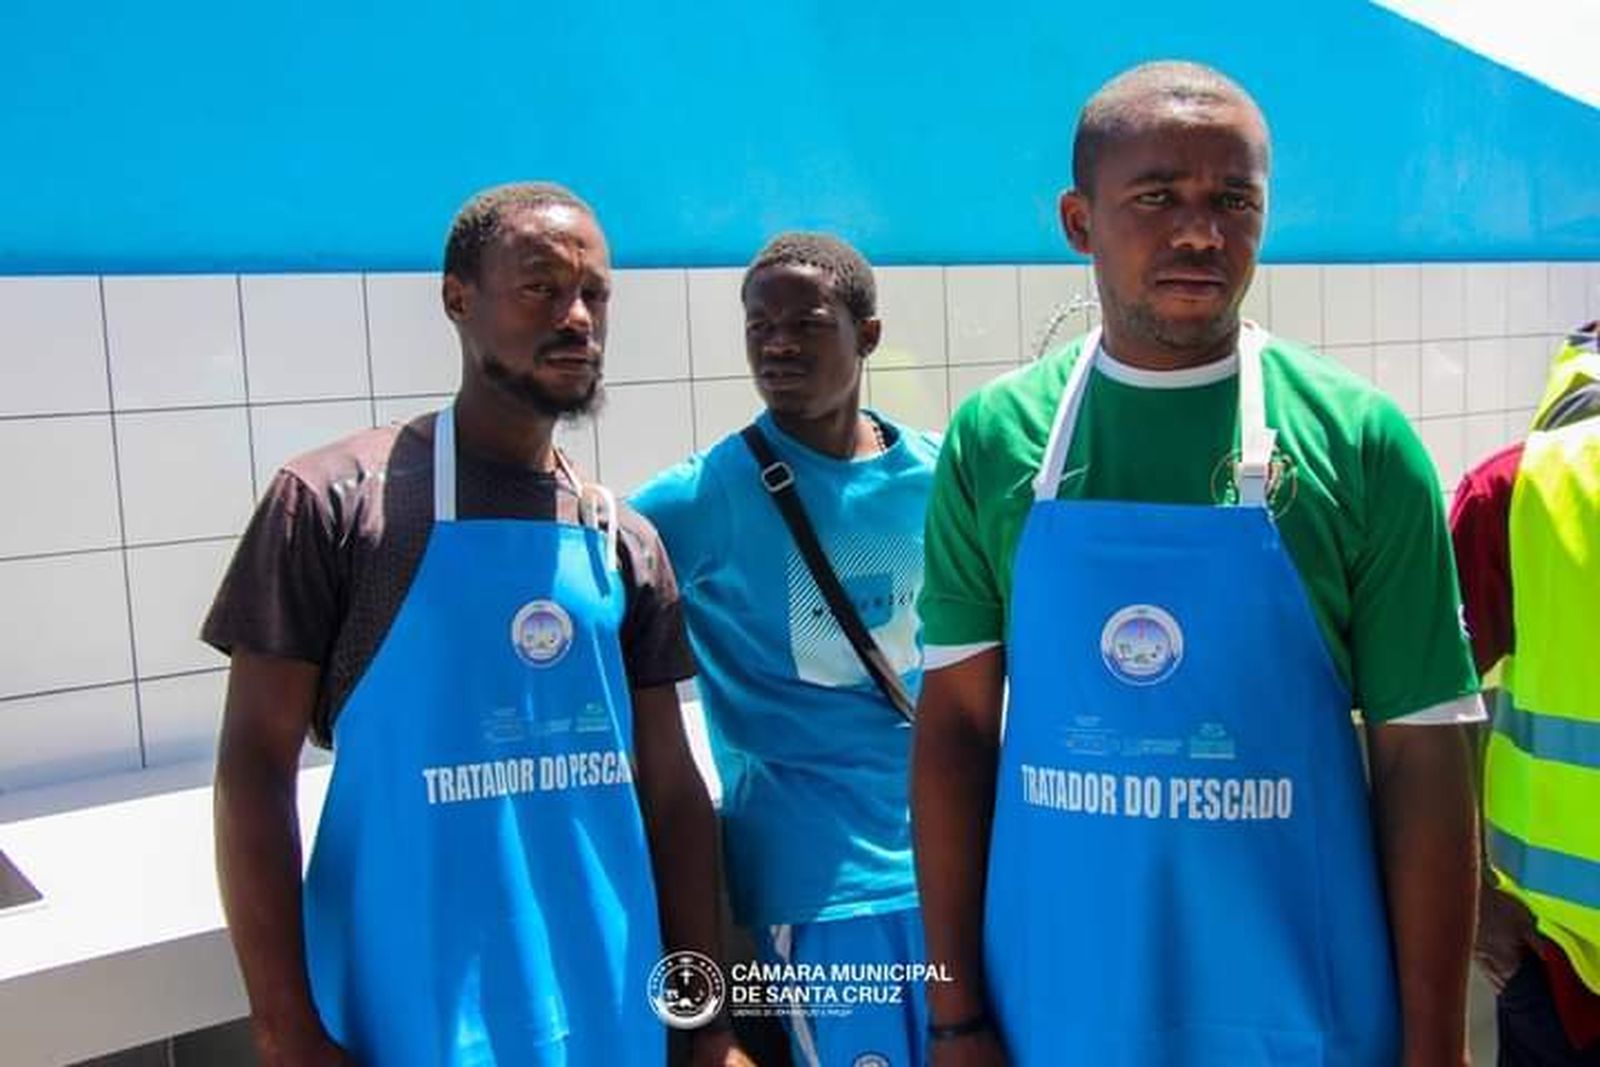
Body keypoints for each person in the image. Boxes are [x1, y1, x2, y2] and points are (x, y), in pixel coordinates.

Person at [910, 62, 1482, 1066]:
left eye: (1232, 200)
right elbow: (956, 730)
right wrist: (956, 1017)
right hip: (1055, 1004)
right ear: (1078, 221)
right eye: (1155, 196)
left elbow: (1422, 755)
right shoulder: (997, 438)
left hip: (1304, 1007)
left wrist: (1431, 1046)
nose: (1198, 233)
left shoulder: (1357, 439)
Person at [206, 182, 746, 1067]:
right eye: (541, 287)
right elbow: (254, 770)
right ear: (459, 298)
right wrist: (287, 1029)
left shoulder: (618, 540)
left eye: (595, 294)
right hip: (409, 1017)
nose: (577, 317)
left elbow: (674, 796)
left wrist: (704, 1019)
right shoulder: (340, 507)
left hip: (610, 1013)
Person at [634, 232, 941, 1067]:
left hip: (945, 858)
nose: (776, 344)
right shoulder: (703, 497)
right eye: (758, 326)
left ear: (866, 335)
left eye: (805, 323)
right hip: (813, 883)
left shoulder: (935, 475)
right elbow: (592, 575)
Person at [1451, 322, 1600, 1066]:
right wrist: (1477, 904)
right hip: (1560, 971)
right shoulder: (1515, 493)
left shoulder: (1513, 487)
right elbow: (1424, 718)